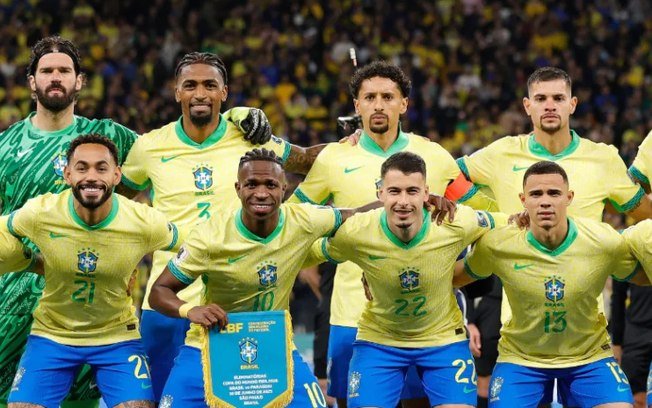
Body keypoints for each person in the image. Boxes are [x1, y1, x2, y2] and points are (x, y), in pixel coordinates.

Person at [0, 36, 273, 407]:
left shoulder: (113, 136)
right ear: (32, 81)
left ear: (80, 80)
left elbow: (182, 141)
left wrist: (235, 116)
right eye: (47, 71)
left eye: (64, 70)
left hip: (98, 308)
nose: (56, 77)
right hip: (14, 303)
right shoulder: (6, 145)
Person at [119, 51, 332, 401]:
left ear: (224, 92)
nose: (200, 93)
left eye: (209, 85)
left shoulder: (251, 138)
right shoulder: (149, 147)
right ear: (177, 92)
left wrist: (358, 145)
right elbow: (116, 200)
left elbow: (307, 160)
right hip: (169, 300)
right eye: (190, 85)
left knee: (248, 398)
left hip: (237, 306)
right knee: (158, 400)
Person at [289, 60, 496, 408]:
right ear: (357, 106)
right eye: (369, 97)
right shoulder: (334, 158)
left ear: (404, 104)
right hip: (352, 313)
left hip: (423, 319)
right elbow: (294, 218)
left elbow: (485, 211)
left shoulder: (434, 156)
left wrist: (465, 258)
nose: (378, 105)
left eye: (388, 97)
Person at [455, 66, 652, 407]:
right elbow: (445, 177)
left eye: (558, 98)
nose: (550, 105)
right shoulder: (501, 153)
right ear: (527, 105)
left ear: (572, 104)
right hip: (522, 328)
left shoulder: (603, 158)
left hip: (585, 330)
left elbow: (644, 215)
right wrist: (491, 213)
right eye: (541, 98)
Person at [148, 148, 375, 407]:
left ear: (284, 189)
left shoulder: (304, 220)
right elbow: (159, 291)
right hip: (210, 344)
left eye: (271, 185)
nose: (261, 193)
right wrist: (190, 310)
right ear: (238, 188)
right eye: (251, 184)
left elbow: (358, 215)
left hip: (274, 344)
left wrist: (406, 205)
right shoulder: (209, 236)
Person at [305, 151, 500, 408]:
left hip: (442, 340)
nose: (404, 202)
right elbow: (306, 254)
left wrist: (475, 268)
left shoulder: (454, 221)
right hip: (380, 340)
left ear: (426, 193)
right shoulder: (356, 231)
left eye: (412, 191)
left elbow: (507, 227)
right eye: (395, 191)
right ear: (380, 193)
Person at [6, 135, 180, 408]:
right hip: (52, 334)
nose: (91, 177)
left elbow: (195, 248)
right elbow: (4, 233)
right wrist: (31, 262)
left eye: (101, 168)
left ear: (116, 175)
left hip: (117, 336)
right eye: (82, 167)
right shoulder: (41, 212)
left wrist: (171, 280)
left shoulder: (143, 221)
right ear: (67, 174)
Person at [457, 161, 646, 408]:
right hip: (521, 359)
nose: (545, 201)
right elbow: (454, 278)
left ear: (569, 197)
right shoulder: (498, 244)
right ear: (523, 200)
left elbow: (642, 278)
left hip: (589, 358)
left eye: (554, 193)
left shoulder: (603, 241)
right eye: (536, 194)